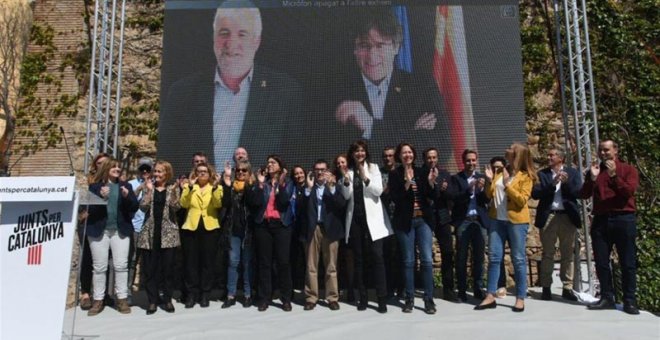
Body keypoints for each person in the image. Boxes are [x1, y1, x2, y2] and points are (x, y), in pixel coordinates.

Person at [158, 3, 302, 174]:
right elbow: (169, 155)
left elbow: (294, 153)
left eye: (242, 34)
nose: (232, 43)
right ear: (214, 38)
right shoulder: (182, 93)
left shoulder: (284, 91)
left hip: (253, 195)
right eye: (224, 33)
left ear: (256, 41)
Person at [330, 10, 447, 162]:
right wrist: (411, 135)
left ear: (396, 47)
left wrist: (370, 126)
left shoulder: (421, 87)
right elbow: (327, 151)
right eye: (364, 45)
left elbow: (442, 147)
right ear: (355, 49)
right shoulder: (334, 92)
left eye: (380, 46)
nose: (372, 56)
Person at [580, 140, 639, 315]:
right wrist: (591, 179)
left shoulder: (628, 170)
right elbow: (583, 194)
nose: (603, 153)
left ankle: (629, 300)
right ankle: (607, 297)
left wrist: (614, 177)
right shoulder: (596, 171)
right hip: (601, 220)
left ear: (615, 150)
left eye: (606, 150)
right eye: (600, 150)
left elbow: (628, 192)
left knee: (627, 262)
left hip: (623, 219)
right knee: (601, 262)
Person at [476, 143, 536, 312]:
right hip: (497, 220)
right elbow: (489, 195)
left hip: (516, 221)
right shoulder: (500, 171)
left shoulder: (526, 176)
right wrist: (489, 182)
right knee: (494, 257)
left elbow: (522, 200)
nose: (507, 150)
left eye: (511, 148)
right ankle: (490, 295)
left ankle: (520, 297)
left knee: (518, 259)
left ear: (517, 155)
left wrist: (508, 186)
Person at [339, 140, 393, 313]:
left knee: (378, 258)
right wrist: (346, 182)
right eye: (356, 151)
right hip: (355, 220)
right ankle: (362, 297)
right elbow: (347, 196)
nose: (359, 154)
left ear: (366, 153)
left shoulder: (374, 168)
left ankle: (381, 299)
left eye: (362, 151)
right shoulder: (348, 171)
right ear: (352, 154)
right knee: (359, 260)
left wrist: (365, 177)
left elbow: (377, 191)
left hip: (374, 220)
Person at [388, 143, 438, 314]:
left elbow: (433, 197)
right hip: (405, 222)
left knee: (426, 260)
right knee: (408, 261)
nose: (407, 155)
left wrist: (431, 184)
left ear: (414, 155)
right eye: (404, 153)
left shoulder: (422, 172)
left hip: (423, 220)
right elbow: (396, 199)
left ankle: (428, 299)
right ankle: (409, 298)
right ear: (399, 156)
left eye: (410, 152)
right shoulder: (394, 174)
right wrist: (407, 185)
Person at [86, 158, 139, 316]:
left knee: (121, 265)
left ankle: (121, 298)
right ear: (107, 169)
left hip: (119, 231)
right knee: (99, 267)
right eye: (114, 167)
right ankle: (98, 300)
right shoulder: (94, 187)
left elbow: (134, 208)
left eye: (119, 167)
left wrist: (127, 197)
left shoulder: (126, 186)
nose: (117, 169)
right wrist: (101, 197)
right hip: (99, 231)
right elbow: (89, 210)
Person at [531, 147, 581, 301]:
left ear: (561, 158)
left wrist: (565, 184)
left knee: (567, 253)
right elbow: (536, 193)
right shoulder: (542, 174)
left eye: (552, 155)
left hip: (567, 217)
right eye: (548, 154)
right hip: (549, 216)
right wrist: (552, 184)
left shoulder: (572, 173)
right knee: (548, 253)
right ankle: (546, 287)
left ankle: (567, 287)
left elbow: (578, 192)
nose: (549, 157)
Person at [247, 155, 296, 312]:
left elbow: (283, 201)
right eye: (268, 163)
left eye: (273, 162)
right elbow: (254, 202)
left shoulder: (288, 183)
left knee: (283, 262)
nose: (269, 165)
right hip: (264, 226)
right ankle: (264, 298)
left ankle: (286, 298)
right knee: (264, 263)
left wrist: (280, 184)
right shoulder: (262, 182)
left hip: (282, 225)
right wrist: (260, 183)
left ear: (280, 166)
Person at [301, 160, 346, 311]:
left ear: (328, 171)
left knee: (331, 266)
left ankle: (332, 298)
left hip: (331, 229)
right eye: (317, 170)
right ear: (313, 171)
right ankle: (311, 297)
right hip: (313, 229)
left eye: (323, 170)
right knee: (311, 265)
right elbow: (301, 207)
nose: (320, 173)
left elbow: (341, 205)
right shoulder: (308, 187)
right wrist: (307, 189)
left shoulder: (335, 185)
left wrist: (332, 188)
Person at [136, 160, 181, 315]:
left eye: (160, 171)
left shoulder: (172, 189)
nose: (156, 174)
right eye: (155, 171)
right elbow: (142, 207)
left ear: (167, 173)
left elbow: (177, 207)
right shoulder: (149, 189)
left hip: (168, 234)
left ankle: (167, 299)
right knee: (150, 269)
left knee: (168, 269)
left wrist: (175, 192)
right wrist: (148, 192)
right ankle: (152, 301)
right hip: (150, 234)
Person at [179, 162, 223, 308]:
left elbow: (217, 204)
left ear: (210, 174)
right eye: (199, 171)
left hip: (210, 228)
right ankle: (192, 294)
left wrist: (216, 187)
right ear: (195, 173)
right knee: (191, 263)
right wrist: (190, 187)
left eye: (205, 171)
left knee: (207, 263)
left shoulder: (216, 188)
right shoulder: (189, 187)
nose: (202, 173)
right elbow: (183, 204)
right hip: (192, 227)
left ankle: (205, 294)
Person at [448, 149, 489, 302]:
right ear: (463, 162)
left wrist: (484, 188)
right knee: (461, 257)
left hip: (479, 221)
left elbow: (486, 200)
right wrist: (469, 189)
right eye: (468, 161)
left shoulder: (482, 178)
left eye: (473, 160)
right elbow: (454, 198)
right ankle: (462, 290)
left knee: (479, 257)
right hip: (463, 221)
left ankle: (478, 288)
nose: (471, 163)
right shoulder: (456, 179)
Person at [219, 160, 256, 308]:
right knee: (233, 262)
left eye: (243, 171)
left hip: (248, 231)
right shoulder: (230, 187)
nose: (240, 173)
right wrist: (227, 183)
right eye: (238, 170)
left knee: (247, 263)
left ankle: (247, 294)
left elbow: (253, 203)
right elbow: (225, 203)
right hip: (233, 230)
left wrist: (247, 185)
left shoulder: (253, 187)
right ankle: (231, 295)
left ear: (248, 172)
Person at [78, 152, 110, 311]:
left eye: (106, 162)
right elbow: (82, 202)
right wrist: (84, 214)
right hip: (90, 223)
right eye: (99, 163)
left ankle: (103, 294)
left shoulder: (113, 181)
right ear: (94, 165)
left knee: (106, 260)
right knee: (88, 258)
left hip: (108, 224)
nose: (103, 165)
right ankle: (85, 293)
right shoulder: (87, 181)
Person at [423, 147, 456, 301]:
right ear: (424, 159)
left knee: (448, 253)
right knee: (425, 256)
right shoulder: (420, 173)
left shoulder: (445, 174)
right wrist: (434, 186)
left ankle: (449, 290)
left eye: (434, 157)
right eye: (429, 158)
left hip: (442, 217)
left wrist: (444, 189)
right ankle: (426, 290)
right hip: (425, 218)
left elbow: (451, 195)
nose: (432, 160)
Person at [128, 157, 154, 294]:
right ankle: (127, 291)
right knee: (132, 261)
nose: (144, 171)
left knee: (152, 262)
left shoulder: (158, 184)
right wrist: (139, 188)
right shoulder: (131, 184)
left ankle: (153, 291)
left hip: (151, 227)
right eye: (142, 169)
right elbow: (128, 202)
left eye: (147, 169)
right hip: (136, 227)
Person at [379, 146, 403, 299]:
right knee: (387, 254)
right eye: (385, 156)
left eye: (391, 156)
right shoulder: (378, 174)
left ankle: (402, 288)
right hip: (383, 218)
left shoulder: (401, 172)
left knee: (402, 254)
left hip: (401, 217)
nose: (388, 158)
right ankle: (388, 288)